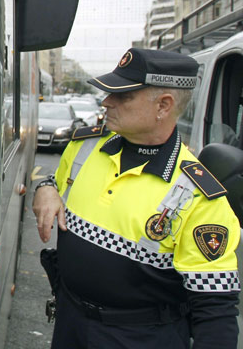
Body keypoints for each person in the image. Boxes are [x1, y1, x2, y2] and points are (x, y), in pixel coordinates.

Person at [32, 48, 240, 348]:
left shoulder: (198, 196)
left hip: (140, 338)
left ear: (163, 105)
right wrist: (45, 188)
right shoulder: (85, 146)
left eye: (123, 96)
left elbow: (216, 310)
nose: (107, 101)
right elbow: (57, 181)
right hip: (70, 321)